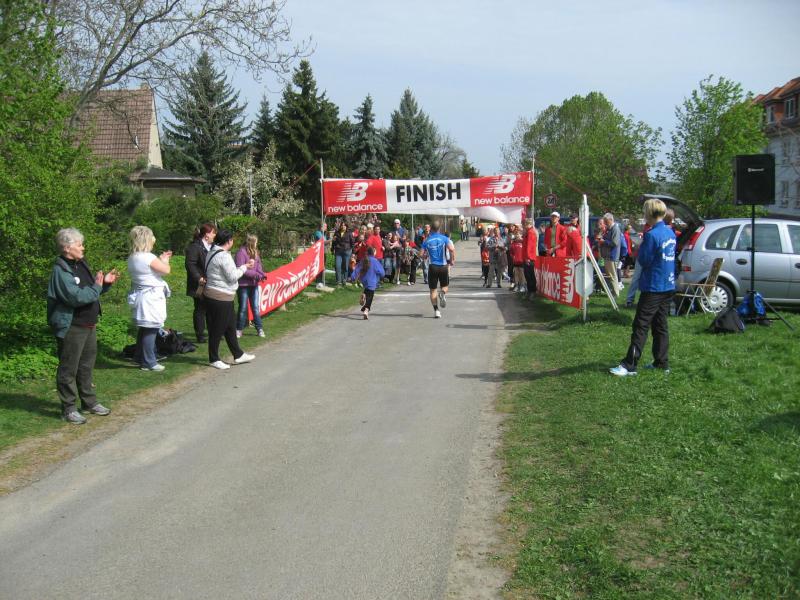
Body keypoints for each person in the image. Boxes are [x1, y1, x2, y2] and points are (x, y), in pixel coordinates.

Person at [48, 228, 119, 424]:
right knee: (68, 369)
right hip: (72, 326)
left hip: (89, 324)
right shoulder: (61, 271)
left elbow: (91, 292)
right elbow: (76, 297)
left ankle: (89, 403)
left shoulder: (81, 264)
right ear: (67, 247)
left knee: (86, 366)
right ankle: (69, 408)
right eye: (79, 245)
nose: (83, 248)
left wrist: (104, 284)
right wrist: (97, 286)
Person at [610, 198, 677, 377]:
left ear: (649, 213)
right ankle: (662, 362)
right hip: (668, 284)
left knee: (641, 325)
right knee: (660, 325)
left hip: (653, 286)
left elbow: (644, 260)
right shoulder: (670, 233)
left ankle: (629, 365)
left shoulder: (651, 235)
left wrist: (640, 247)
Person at [204, 230, 256, 370]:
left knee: (230, 327)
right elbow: (232, 277)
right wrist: (244, 267)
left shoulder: (212, 251)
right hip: (220, 297)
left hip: (219, 295)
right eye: (232, 239)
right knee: (217, 329)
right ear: (228, 241)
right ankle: (214, 358)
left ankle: (238, 354)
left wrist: (243, 267)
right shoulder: (224, 256)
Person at [127, 225, 171, 372]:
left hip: (142, 295)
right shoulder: (148, 257)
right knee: (151, 329)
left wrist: (160, 260)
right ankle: (149, 362)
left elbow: (150, 272)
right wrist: (165, 260)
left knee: (145, 328)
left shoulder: (133, 257)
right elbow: (166, 270)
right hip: (151, 298)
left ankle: (139, 357)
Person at [185, 223, 216, 342]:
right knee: (200, 309)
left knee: (211, 308)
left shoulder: (212, 247)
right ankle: (200, 334)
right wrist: (198, 277)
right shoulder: (194, 247)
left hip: (211, 283)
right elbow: (190, 264)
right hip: (199, 284)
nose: (215, 235)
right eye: (213, 233)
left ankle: (213, 332)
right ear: (207, 234)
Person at [421, 220, 455, 318]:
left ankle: (436, 311)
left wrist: (425, 256)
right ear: (439, 229)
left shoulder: (427, 240)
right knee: (445, 287)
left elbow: (421, 254)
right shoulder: (444, 238)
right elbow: (452, 249)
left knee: (433, 290)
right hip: (443, 266)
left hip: (432, 267)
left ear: (431, 229)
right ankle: (443, 293)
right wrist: (452, 260)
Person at [235, 233, 266, 338]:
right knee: (243, 308)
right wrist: (257, 275)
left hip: (254, 285)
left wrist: (262, 275)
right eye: (256, 242)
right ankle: (239, 329)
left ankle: (259, 329)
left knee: (255, 308)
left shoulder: (255, 252)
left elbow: (259, 267)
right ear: (252, 242)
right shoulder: (241, 253)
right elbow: (241, 269)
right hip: (243, 285)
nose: (257, 244)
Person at [349, 246, 385, 319]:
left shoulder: (363, 260)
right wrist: (380, 275)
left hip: (364, 280)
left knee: (367, 291)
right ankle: (366, 310)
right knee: (370, 297)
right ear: (373, 253)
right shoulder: (375, 261)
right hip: (372, 281)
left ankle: (364, 294)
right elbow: (382, 272)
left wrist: (352, 277)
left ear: (367, 253)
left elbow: (357, 269)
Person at [599, 212, 622, 297]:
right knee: (611, 275)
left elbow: (615, 243)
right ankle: (614, 292)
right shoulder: (610, 229)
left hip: (612, 255)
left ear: (611, 220)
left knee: (613, 276)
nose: (605, 223)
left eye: (606, 221)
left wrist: (604, 241)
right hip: (608, 256)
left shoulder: (615, 229)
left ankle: (615, 293)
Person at [522, 219, 538, 298]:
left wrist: (528, 257)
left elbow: (529, 246)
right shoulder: (528, 232)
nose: (524, 226)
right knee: (527, 275)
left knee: (530, 275)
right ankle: (530, 290)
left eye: (525, 224)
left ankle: (532, 291)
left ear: (529, 224)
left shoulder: (531, 232)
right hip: (527, 257)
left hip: (529, 257)